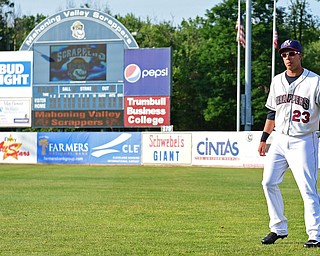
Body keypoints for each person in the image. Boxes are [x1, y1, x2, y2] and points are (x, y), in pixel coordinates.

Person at [258, 39, 320, 248]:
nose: (287, 57)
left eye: (291, 53)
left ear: (300, 55)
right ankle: (278, 228)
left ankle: (315, 234)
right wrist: (264, 138)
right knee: (268, 182)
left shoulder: (314, 81)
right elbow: (272, 111)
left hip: (304, 139)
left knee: (307, 188)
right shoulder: (277, 81)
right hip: (280, 139)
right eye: (284, 54)